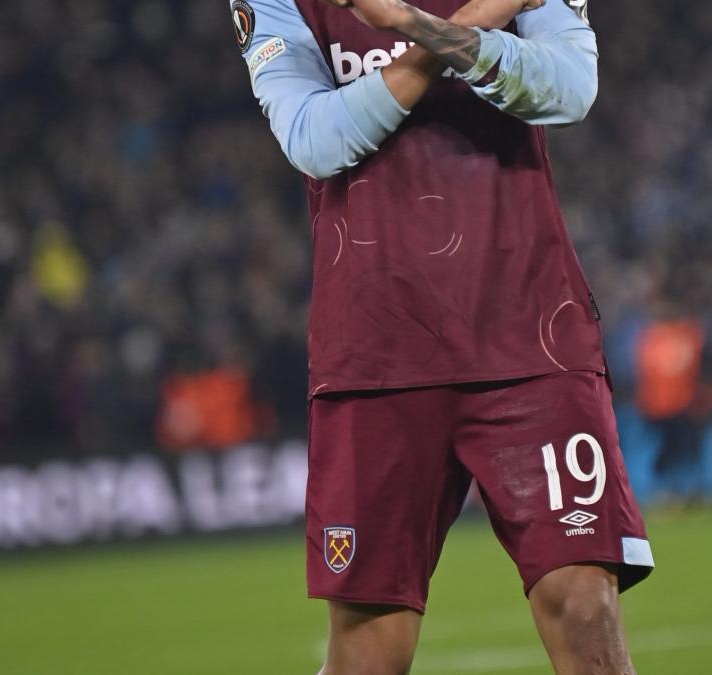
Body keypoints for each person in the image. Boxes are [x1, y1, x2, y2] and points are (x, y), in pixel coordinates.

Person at [233, 0, 653, 671]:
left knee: (584, 608)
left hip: (531, 334)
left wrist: (401, 23)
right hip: (376, 352)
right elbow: (315, 138)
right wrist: (460, 27)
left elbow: (569, 89)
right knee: (370, 652)